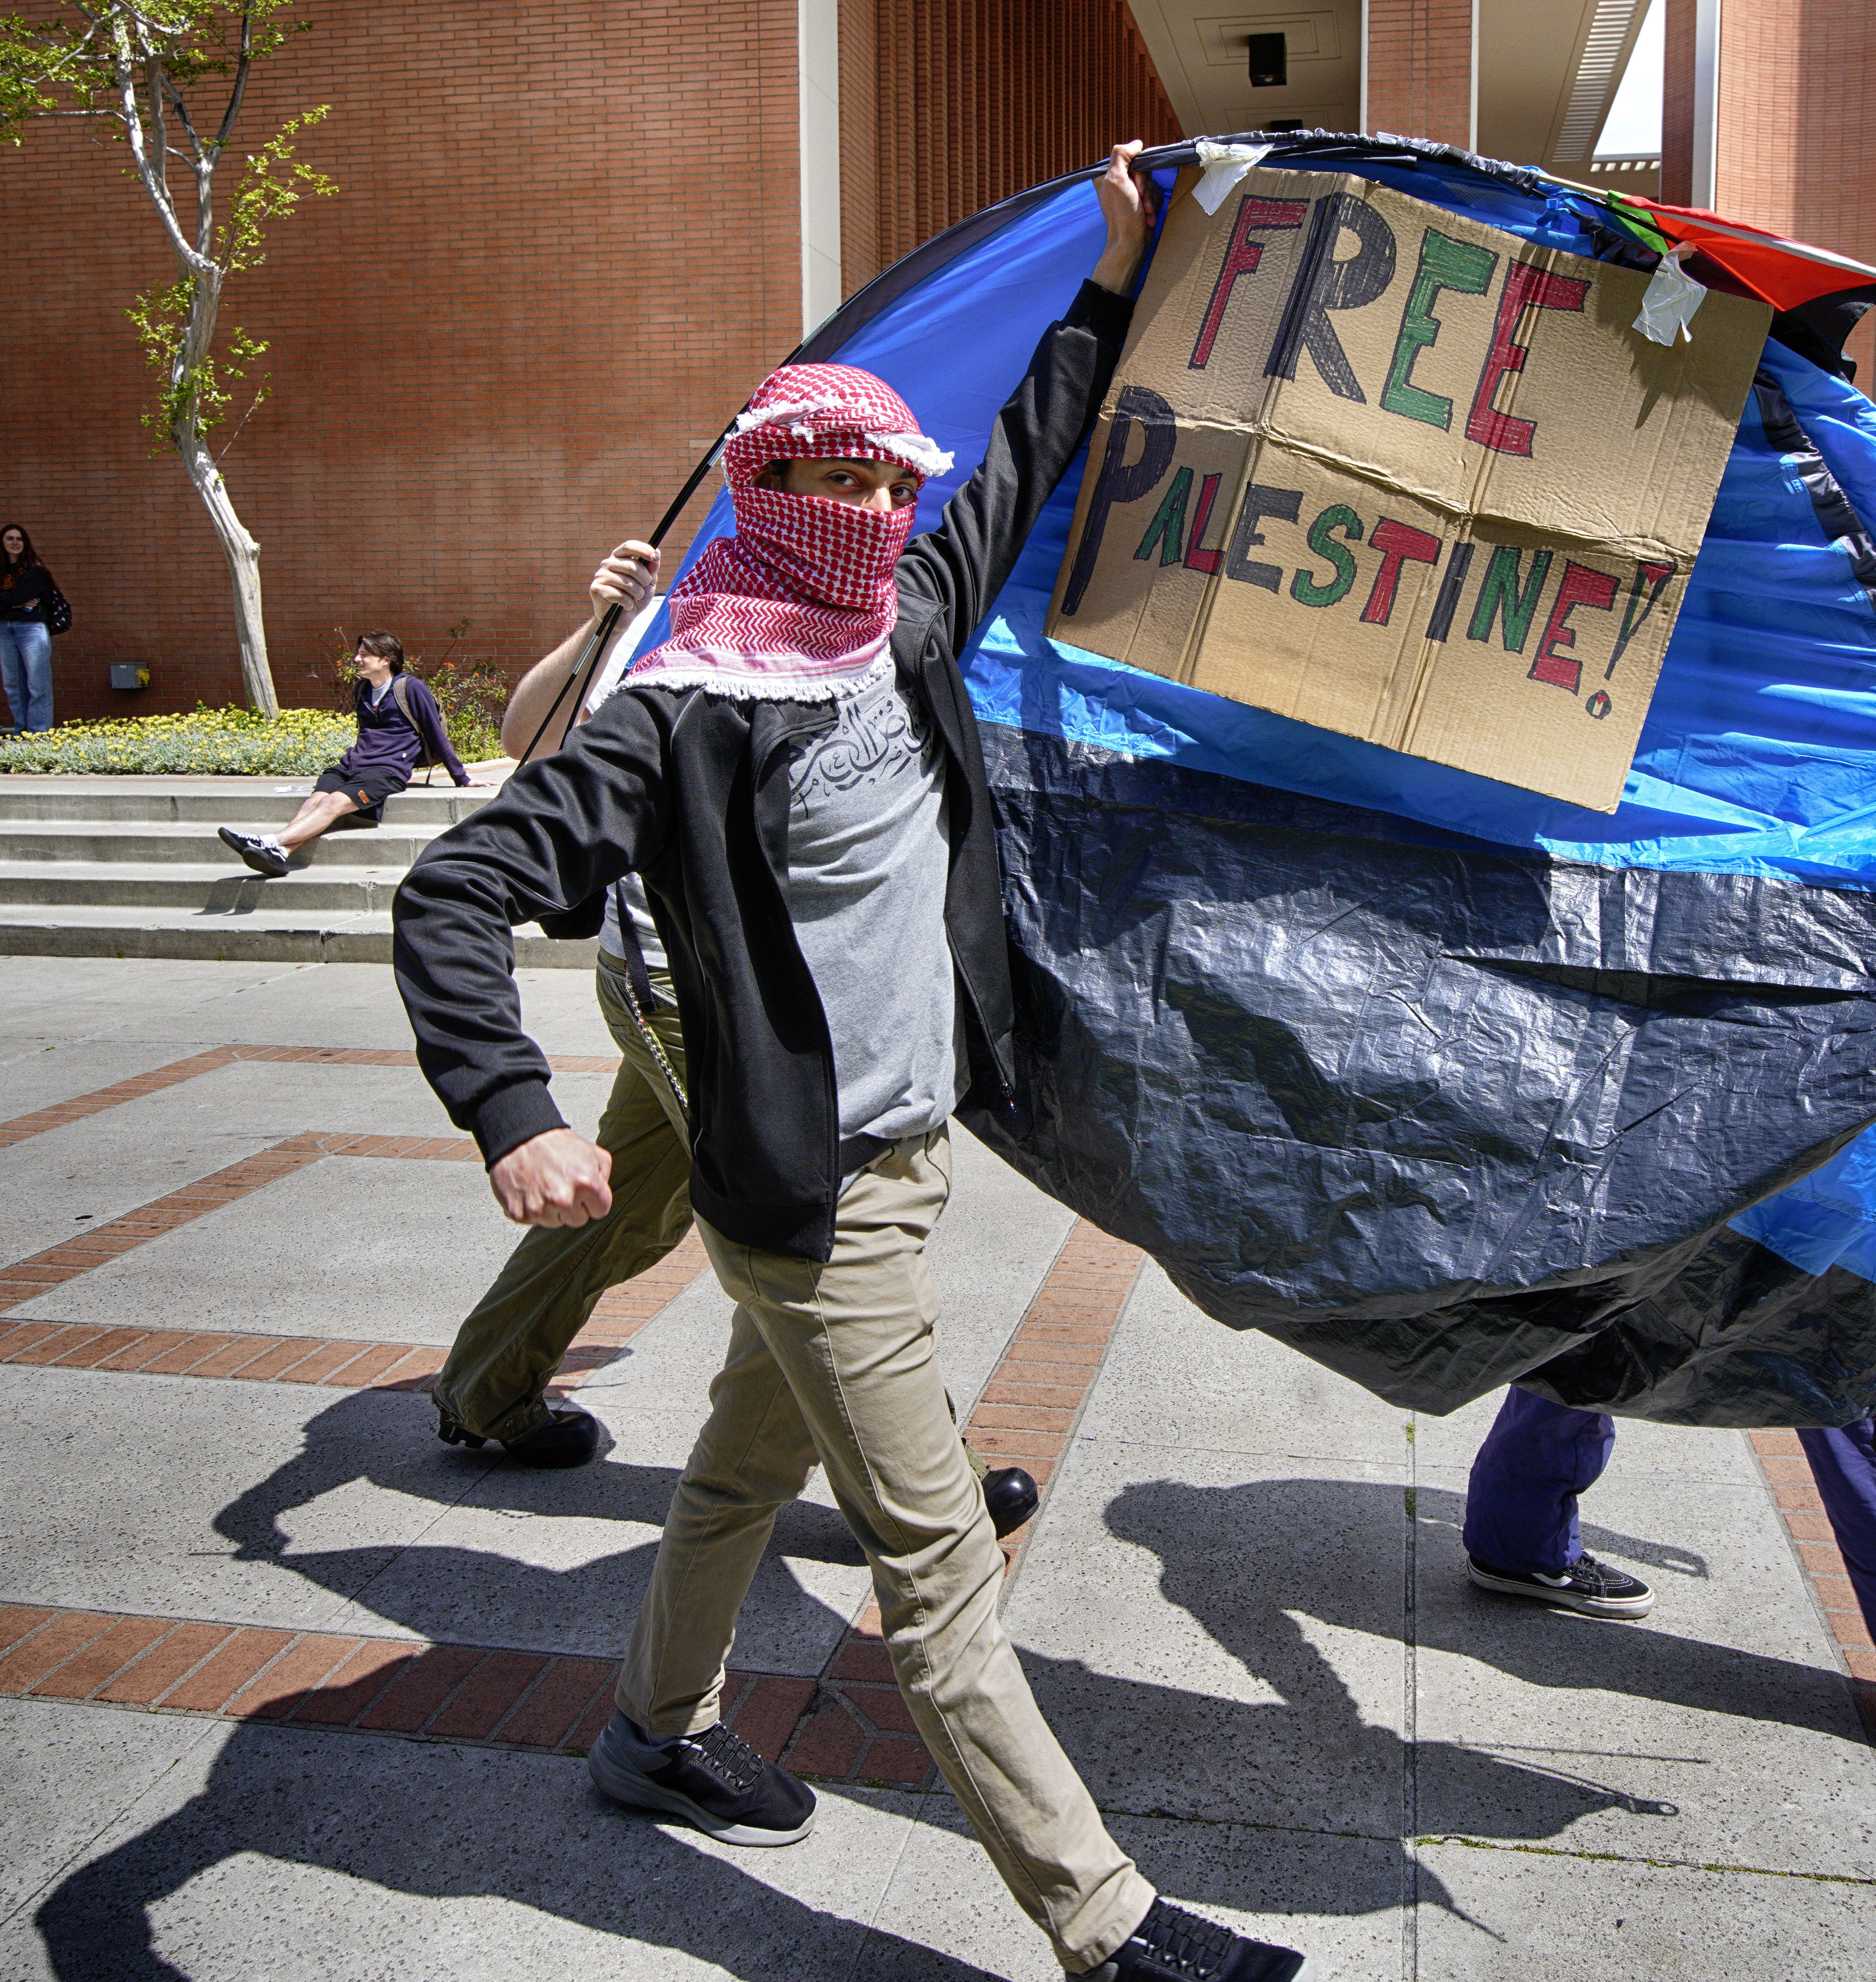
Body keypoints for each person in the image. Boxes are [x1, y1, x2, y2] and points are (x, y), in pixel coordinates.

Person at [390, 142, 1306, 1982]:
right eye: (830, 478)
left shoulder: (905, 626)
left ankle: (653, 1729)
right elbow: (454, 887)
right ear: (759, 490)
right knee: (938, 1573)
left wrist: (1114, 273)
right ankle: (1105, 1924)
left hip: (896, 1152)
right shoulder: (681, 712)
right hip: (814, 1202)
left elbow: (1030, 442)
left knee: (738, 1473)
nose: (871, 508)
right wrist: (514, 1113)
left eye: (889, 479)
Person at [424, 540, 1043, 1538]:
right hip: (686, 987)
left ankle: (486, 1385)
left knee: (632, 1206)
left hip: (779, 985)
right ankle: (926, 1484)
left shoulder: (853, 617)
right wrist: (596, 627)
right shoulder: (680, 619)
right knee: (813, 1216)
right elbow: (524, 743)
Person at [1465, 881, 1876, 1742]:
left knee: (1622, 1303)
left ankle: (1517, 1534)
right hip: (1809, 1072)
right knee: (1852, 1351)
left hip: (1690, 1063)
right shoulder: (1849, 793)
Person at [217, 633, 479, 875]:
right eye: (359, 654)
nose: (357, 660)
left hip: (386, 771)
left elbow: (436, 734)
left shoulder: (411, 688)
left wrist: (462, 777)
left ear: (386, 660)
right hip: (351, 765)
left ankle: (267, 841)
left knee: (332, 804)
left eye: (365, 655)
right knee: (315, 801)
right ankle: (281, 853)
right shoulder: (362, 690)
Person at [0, 524, 62, 734]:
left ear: (25, 544)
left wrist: (6, 601)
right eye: (10, 539)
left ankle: (38, 733)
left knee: (37, 685)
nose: (15, 543)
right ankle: (21, 732)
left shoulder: (35, 571)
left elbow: (16, 597)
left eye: (19, 539)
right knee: (13, 686)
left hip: (32, 630)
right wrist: (14, 604)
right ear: (2, 543)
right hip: (6, 630)